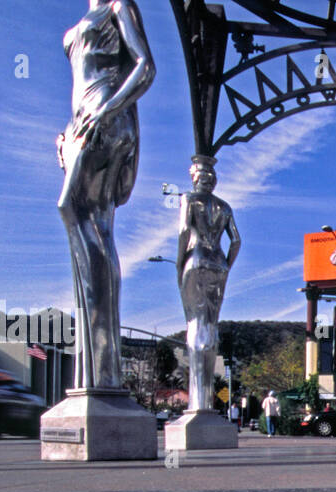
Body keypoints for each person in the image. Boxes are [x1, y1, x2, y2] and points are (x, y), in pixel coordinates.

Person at [57, 0, 156, 390]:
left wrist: (109, 111)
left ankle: (101, 365)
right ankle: (100, 370)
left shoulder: (119, 5)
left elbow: (145, 67)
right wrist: (67, 133)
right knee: (95, 224)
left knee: (74, 210)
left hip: (104, 114)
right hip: (81, 119)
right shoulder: (93, 12)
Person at [175, 154, 241, 413]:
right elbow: (236, 241)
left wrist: (181, 263)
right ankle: (205, 401)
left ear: (195, 177)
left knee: (194, 324)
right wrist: (225, 264)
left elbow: (183, 232)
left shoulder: (188, 199)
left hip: (196, 259)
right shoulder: (224, 207)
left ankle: (197, 403)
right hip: (218, 262)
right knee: (210, 326)